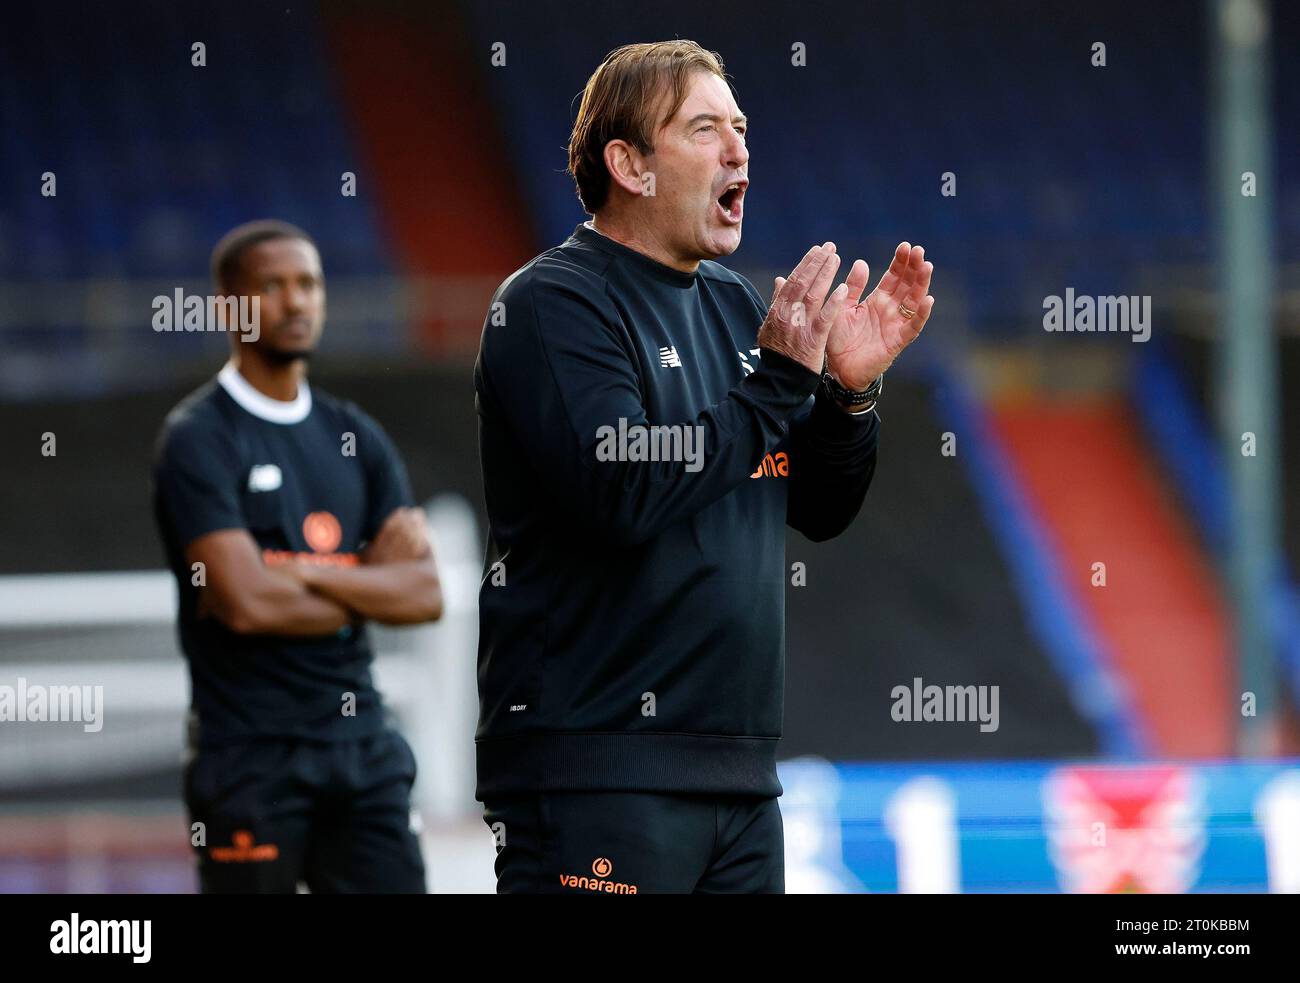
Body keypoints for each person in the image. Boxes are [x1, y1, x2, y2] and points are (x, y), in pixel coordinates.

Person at [473, 41, 934, 893]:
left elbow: (820, 506)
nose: (738, 150)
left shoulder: (736, 308)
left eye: (742, 128)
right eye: (705, 128)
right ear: (631, 166)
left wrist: (845, 396)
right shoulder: (551, 304)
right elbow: (623, 490)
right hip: (597, 770)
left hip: (739, 778)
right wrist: (780, 381)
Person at [152, 220, 442, 893]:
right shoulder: (198, 437)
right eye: (272, 286)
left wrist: (294, 568)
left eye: (308, 283)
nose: (295, 301)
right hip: (251, 756)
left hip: (363, 747)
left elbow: (425, 596)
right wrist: (367, 576)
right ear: (229, 306)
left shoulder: (354, 435)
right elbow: (246, 603)